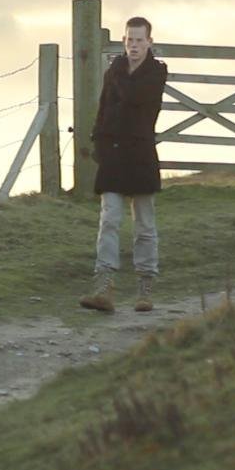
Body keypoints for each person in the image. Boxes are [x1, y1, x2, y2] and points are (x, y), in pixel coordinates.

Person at [79, 16, 168, 313]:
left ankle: (145, 288)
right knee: (109, 220)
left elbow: (135, 96)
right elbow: (104, 107)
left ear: (149, 42)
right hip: (113, 154)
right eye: (130, 40)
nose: (133, 46)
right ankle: (103, 286)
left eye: (139, 40)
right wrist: (98, 142)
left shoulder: (156, 73)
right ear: (124, 40)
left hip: (140, 153)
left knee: (144, 224)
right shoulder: (114, 71)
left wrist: (117, 72)